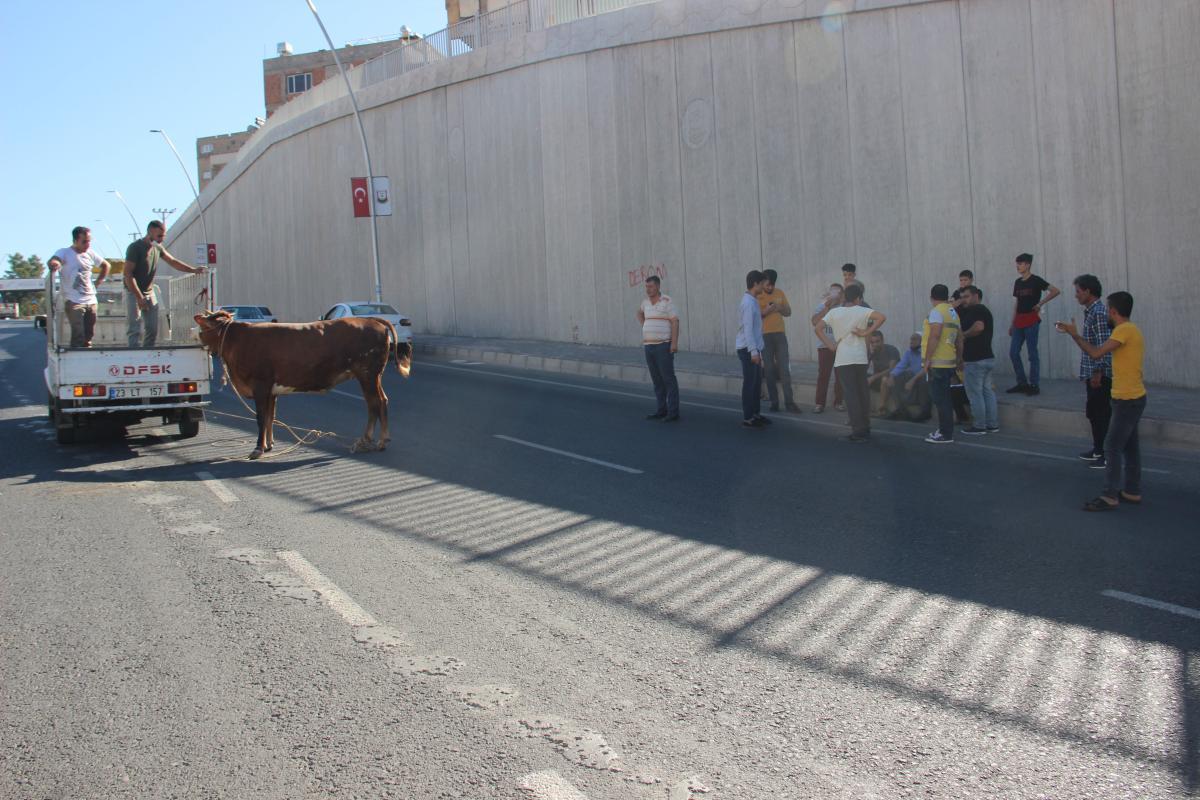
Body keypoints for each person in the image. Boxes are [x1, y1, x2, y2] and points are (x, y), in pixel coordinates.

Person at [1055, 292, 1146, 511]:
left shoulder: (1124, 330)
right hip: (1131, 397)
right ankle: (1132, 491)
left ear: (1113, 311)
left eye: (1107, 309)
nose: (1106, 313)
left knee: (1112, 446)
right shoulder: (1130, 330)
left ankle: (1109, 495)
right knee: (1130, 447)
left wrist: (1074, 335)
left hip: (1127, 399)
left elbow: (1096, 353)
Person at [814, 283, 886, 442]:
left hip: (843, 358)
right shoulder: (862, 310)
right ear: (858, 298)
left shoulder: (835, 312)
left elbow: (817, 328)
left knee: (851, 395)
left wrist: (830, 345)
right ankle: (865, 428)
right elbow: (882, 317)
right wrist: (866, 332)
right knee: (863, 393)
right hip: (860, 358)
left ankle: (858, 431)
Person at [124, 220, 206, 347]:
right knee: (134, 328)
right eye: (159, 236)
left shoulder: (157, 248)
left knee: (152, 328)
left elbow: (172, 261)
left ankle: (148, 354)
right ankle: (133, 356)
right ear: (150, 232)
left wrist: (193, 270)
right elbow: (128, 274)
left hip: (149, 291)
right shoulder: (135, 248)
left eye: (163, 236)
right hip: (133, 291)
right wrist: (139, 297)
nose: (161, 239)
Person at [1070, 274, 1112, 467]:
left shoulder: (1099, 313)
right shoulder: (1090, 312)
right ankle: (1097, 450)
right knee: (1094, 413)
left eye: (1078, 291)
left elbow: (1103, 346)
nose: (1076, 295)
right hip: (1092, 372)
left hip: (1099, 375)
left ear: (1088, 291)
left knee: (1101, 413)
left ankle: (1104, 454)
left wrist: (1098, 372)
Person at [47, 226, 110, 348]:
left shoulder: (90, 253)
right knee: (78, 332)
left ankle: (87, 355)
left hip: (90, 300)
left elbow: (106, 265)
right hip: (74, 300)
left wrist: (98, 282)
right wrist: (54, 264)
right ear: (75, 241)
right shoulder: (64, 252)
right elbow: (55, 260)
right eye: (84, 241)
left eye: (89, 241)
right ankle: (75, 356)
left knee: (89, 334)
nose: (88, 244)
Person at [1007, 253, 1059, 396]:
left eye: (1021, 263)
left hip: (1031, 320)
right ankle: (1022, 382)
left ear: (1028, 264)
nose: (1018, 266)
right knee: (1013, 352)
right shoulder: (1018, 282)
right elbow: (1017, 303)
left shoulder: (1036, 280)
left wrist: (1040, 303)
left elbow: (1055, 291)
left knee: (1032, 353)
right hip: (1019, 320)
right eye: (1017, 263)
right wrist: (1012, 323)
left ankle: (1034, 384)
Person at [921, 284, 963, 444]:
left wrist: (927, 360)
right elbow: (959, 339)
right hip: (949, 362)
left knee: (941, 399)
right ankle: (946, 430)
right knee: (945, 398)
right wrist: (959, 358)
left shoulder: (936, 312)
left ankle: (945, 433)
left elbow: (935, 335)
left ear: (932, 297)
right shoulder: (953, 313)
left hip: (937, 363)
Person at [637, 275, 680, 422]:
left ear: (658, 287)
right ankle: (661, 410)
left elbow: (675, 322)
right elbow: (639, 313)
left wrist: (674, 343)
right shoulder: (645, 303)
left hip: (663, 346)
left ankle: (673, 412)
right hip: (649, 346)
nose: (648, 290)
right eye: (646, 287)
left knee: (668, 379)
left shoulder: (667, 301)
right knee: (657, 380)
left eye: (650, 286)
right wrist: (646, 326)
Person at [957, 285, 998, 434]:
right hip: (986, 357)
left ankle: (979, 425)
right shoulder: (975, 310)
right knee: (987, 392)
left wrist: (964, 335)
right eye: (962, 297)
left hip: (975, 360)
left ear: (976, 296)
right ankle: (992, 424)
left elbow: (979, 327)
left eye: (966, 296)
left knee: (975, 394)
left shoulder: (977, 310)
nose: (964, 300)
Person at [757, 269, 799, 413]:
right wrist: (767, 310)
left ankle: (789, 402)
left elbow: (788, 312)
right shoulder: (757, 295)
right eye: (768, 284)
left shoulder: (780, 293)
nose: (770, 288)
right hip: (765, 336)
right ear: (763, 282)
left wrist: (780, 307)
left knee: (784, 369)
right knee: (768, 370)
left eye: (772, 285)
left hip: (780, 335)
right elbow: (756, 316)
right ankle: (774, 402)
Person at [737, 270, 771, 429]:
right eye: (763, 283)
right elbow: (748, 329)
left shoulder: (753, 300)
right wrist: (754, 351)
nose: (765, 286)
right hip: (747, 349)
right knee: (750, 384)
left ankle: (756, 414)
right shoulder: (748, 303)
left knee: (756, 383)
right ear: (755, 284)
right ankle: (748, 417)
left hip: (754, 347)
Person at [811, 283, 844, 413]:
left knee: (840, 375)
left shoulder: (844, 307)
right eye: (833, 292)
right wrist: (826, 308)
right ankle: (819, 403)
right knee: (823, 375)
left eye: (838, 292)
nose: (835, 295)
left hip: (840, 346)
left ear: (841, 295)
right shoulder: (822, 306)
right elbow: (814, 322)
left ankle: (838, 402)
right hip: (824, 346)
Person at [883, 333, 928, 420]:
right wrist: (892, 375)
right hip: (912, 379)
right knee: (895, 377)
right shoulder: (909, 353)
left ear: (922, 341)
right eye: (911, 339)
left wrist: (913, 380)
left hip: (923, 378)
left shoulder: (926, 352)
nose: (911, 342)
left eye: (914, 339)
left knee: (923, 378)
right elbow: (900, 366)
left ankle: (925, 411)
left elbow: (926, 370)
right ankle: (901, 410)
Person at [866, 331, 899, 414]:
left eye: (877, 341)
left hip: (893, 379)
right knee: (861, 378)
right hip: (878, 378)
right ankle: (863, 407)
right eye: (872, 342)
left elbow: (892, 369)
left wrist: (873, 377)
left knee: (884, 379)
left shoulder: (892, 350)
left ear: (882, 340)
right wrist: (870, 356)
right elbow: (864, 368)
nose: (875, 344)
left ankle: (882, 407)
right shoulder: (873, 352)